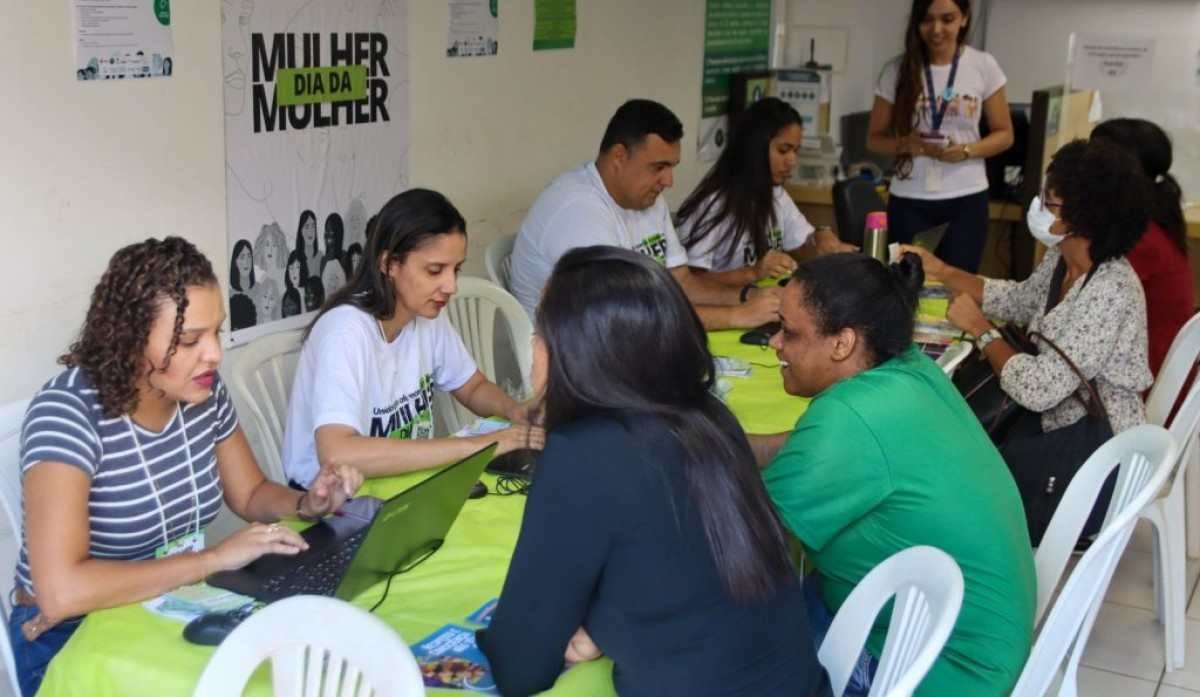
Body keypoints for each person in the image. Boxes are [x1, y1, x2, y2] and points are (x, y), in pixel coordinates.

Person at [14, 237, 362, 697]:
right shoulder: (68, 415)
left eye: (216, 332)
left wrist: (308, 502)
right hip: (70, 641)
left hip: (166, 605)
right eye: (189, 340)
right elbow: (63, 591)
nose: (214, 354)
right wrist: (213, 559)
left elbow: (251, 494)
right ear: (130, 338)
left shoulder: (202, 393)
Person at [479, 246, 831, 697]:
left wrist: (573, 628)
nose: (533, 344)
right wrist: (605, 625)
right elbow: (672, 570)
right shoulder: (711, 419)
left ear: (575, 352)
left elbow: (519, 668)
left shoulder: (581, 455)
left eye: (543, 330)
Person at [751, 252, 1035, 697]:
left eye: (788, 332)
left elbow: (736, 539)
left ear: (842, 343)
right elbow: (807, 448)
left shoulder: (846, 420)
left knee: (732, 652)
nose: (775, 344)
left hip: (939, 673)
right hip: (986, 644)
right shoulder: (908, 370)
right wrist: (722, 441)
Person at [282, 188, 544, 488]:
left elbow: (472, 387)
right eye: (435, 270)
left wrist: (517, 412)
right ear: (389, 264)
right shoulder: (344, 332)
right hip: (331, 505)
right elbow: (338, 452)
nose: (450, 286)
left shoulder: (427, 313)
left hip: (404, 487)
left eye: (455, 269)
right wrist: (478, 446)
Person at [901, 139, 1153, 438]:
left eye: (1049, 202)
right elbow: (1018, 300)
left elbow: (1040, 389)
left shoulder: (1110, 291)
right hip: (1049, 421)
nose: (1038, 207)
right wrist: (942, 271)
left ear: (1083, 216)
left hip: (1089, 443)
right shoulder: (1063, 257)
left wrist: (981, 330)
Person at [509, 99, 783, 330]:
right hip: (575, 363)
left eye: (672, 167)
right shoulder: (578, 210)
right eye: (658, 167)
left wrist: (747, 297)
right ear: (619, 157)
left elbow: (681, 284)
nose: (668, 181)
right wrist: (736, 316)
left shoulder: (647, 198)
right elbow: (624, 313)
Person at [867, 0, 1012, 272]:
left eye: (947, 19)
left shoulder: (982, 65)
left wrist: (967, 150)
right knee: (905, 284)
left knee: (959, 285)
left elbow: (1004, 134)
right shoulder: (897, 70)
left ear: (964, 19)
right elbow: (874, 139)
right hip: (910, 197)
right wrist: (908, 145)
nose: (936, 29)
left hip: (966, 197)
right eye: (927, 20)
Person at [676, 97, 854, 286]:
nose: (792, 161)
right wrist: (752, 273)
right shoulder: (715, 204)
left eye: (795, 151)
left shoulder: (776, 194)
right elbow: (690, 283)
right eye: (783, 150)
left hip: (765, 303)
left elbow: (802, 246)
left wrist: (820, 238)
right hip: (729, 309)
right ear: (754, 147)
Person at [1090, 118, 1195, 377]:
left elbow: (1086, 310)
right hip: (1146, 363)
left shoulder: (1138, 237)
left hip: (1144, 377)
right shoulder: (1149, 215)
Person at [295, 209, 320, 279]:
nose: (310, 231)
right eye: (306, 227)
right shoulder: (295, 257)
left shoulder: (320, 256)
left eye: (313, 226)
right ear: (301, 231)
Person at [281, 249, 307, 318]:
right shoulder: (287, 296)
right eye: (291, 268)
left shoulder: (308, 292)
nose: (293, 272)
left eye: (297, 267)